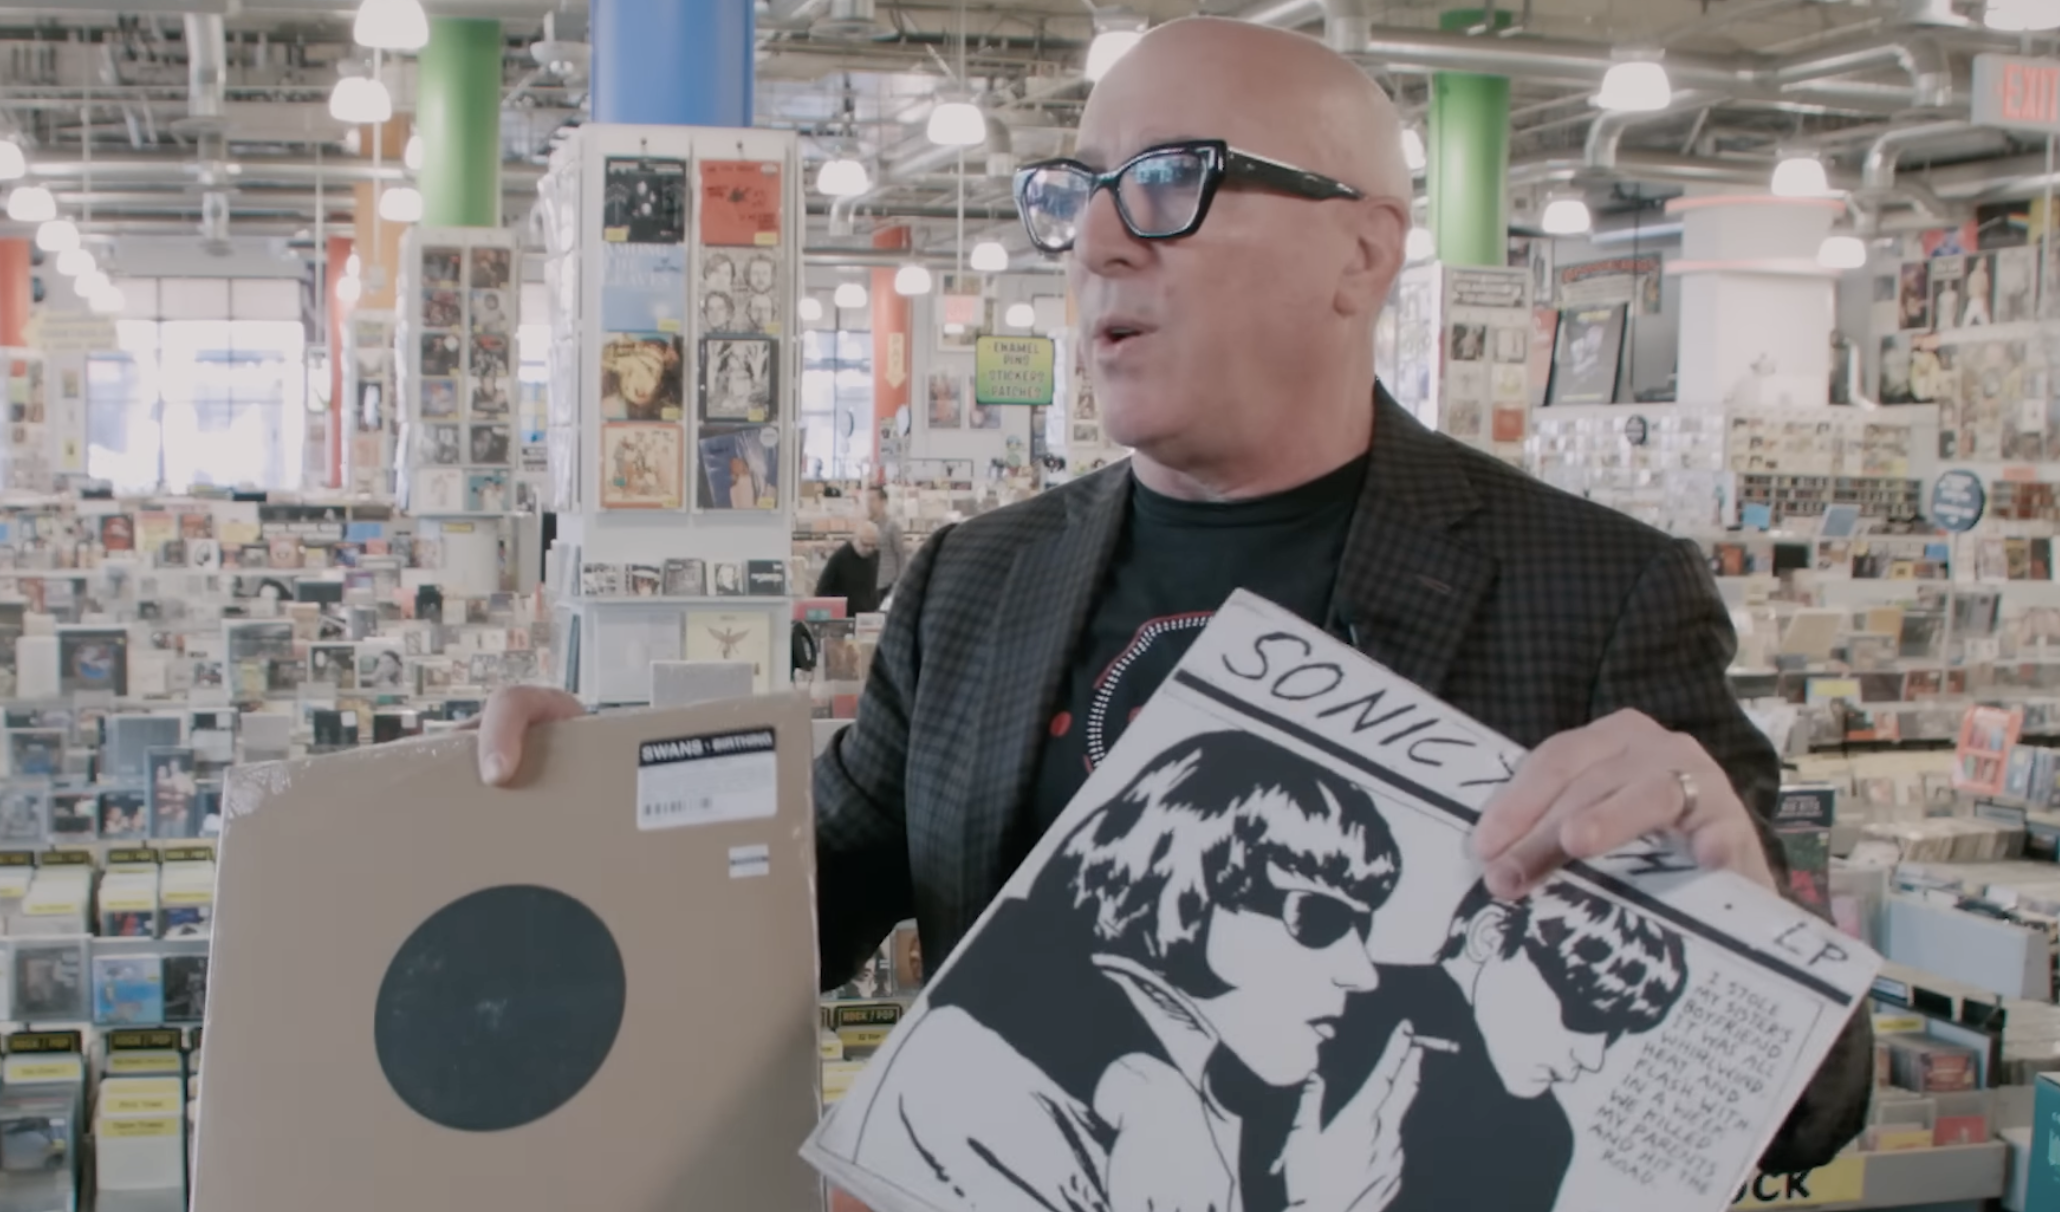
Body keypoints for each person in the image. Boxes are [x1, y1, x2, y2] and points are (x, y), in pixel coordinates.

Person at [476, 15, 1867, 1176]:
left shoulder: (1594, 589)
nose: (1096, 243)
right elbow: (792, 904)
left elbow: (1812, 1111)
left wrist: (1736, 893)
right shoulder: (977, 581)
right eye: (1076, 193)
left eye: (1167, 180)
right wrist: (596, 818)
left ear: (1363, 254)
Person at [838, 731, 1419, 1212]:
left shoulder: (1193, 1082)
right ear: (1192, 886)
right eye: (1319, 917)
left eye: (1363, 930)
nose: (1360, 972)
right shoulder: (985, 1085)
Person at [1317, 879, 1687, 1212]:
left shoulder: (1542, 1137)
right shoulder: (1331, 1008)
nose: (1592, 1058)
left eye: (1614, 1032)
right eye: (1584, 1015)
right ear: (1492, 936)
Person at [815, 522, 883, 616]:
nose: (869, 549)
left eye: (873, 545)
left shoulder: (875, 556)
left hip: (868, 617)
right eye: (865, 544)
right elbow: (822, 590)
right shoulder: (840, 558)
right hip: (844, 617)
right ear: (856, 539)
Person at [866, 484, 905, 602]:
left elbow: (901, 556)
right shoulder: (866, 526)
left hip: (887, 584)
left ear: (883, 502)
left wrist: (899, 584)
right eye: (868, 500)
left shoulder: (892, 526)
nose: (869, 504)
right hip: (869, 584)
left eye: (873, 500)